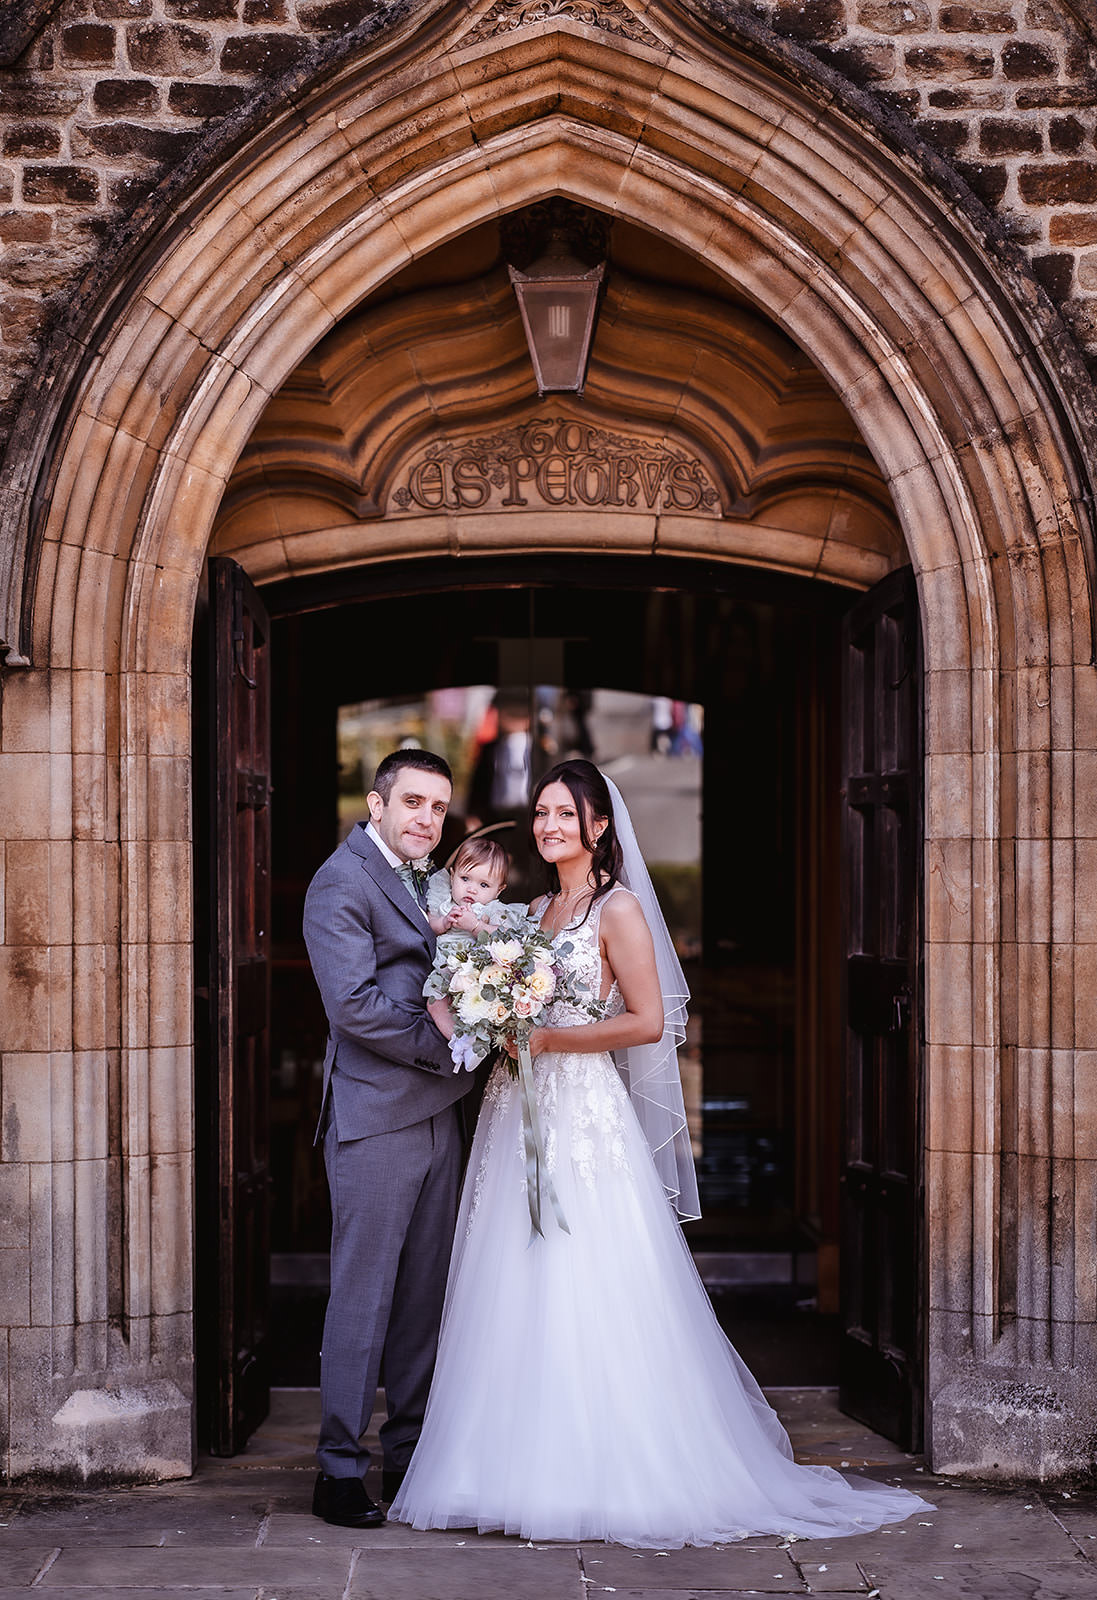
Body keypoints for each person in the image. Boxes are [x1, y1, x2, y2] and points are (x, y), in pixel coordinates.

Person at [391, 759, 931, 1547]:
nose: (548, 827)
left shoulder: (618, 910)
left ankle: (605, 1469)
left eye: (565, 816)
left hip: (580, 1111)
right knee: (507, 1272)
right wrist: (492, 1019)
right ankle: (503, 1466)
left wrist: (547, 1036)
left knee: (583, 1274)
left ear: (599, 827)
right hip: (515, 1111)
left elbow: (647, 1021)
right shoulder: (533, 908)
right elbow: (489, 984)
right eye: (540, 813)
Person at [302, 749, 479, 1530]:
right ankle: (339, 1470)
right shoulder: (340, 881)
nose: (426, 819)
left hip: (441, 1114)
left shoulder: (431, 883)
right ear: (375, 804)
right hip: (376, 1118)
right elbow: (355, 1006)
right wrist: (451, 1050)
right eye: (412, 802)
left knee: (422, 1300)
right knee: (363, 1298)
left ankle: (409, 1454)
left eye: (438, 808)